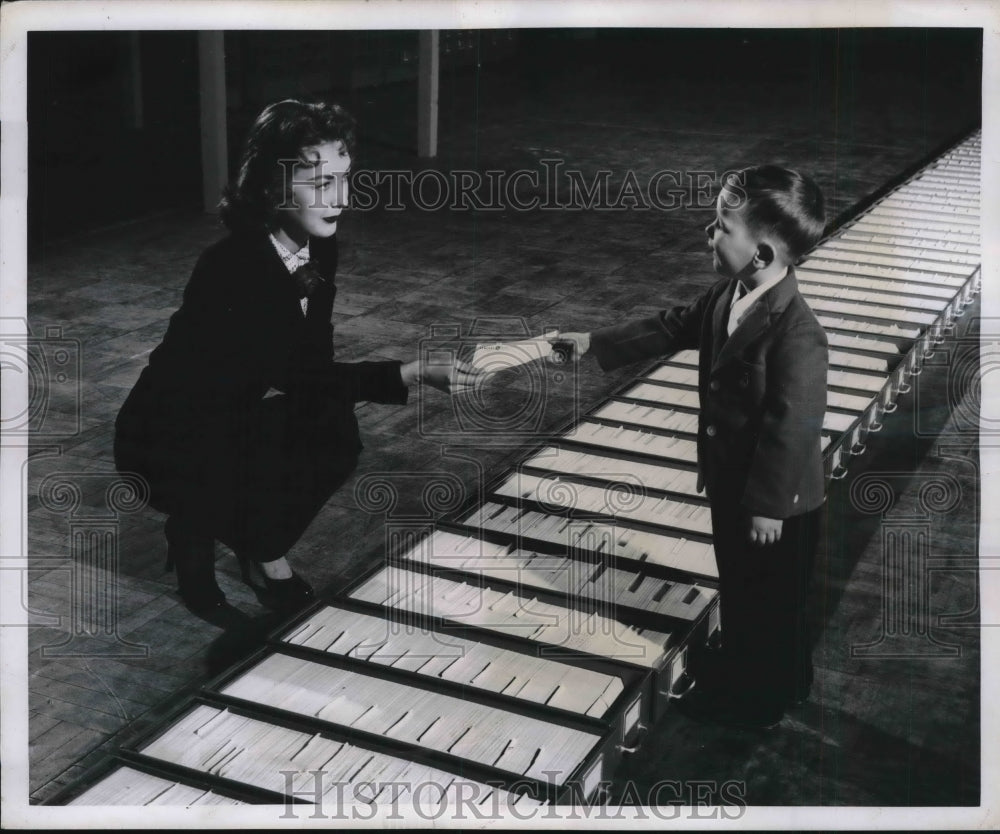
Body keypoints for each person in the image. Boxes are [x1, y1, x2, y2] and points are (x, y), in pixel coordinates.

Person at [114, 99, 476, 617]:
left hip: (225, 417)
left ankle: (243, 537)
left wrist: (396, 375)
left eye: (345, 179)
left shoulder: (318, 246)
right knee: (314, 421)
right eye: (321, 183)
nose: (340, 198)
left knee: (332, 429)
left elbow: (314, 360)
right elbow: (299, 376)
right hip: (167, 439)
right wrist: (412, 372)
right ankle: (217, 535)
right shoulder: (233, 265)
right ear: (270, 189)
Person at [553, 165, 828, 729]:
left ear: (761, 255)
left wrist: (769, 506)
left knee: (770, 601)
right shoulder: (729, 295)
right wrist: (593, 343)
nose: (708, 232)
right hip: (733, 483)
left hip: (778, 504)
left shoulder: (798, 332)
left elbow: (793, 425)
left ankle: (758, 702)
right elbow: (669, 327)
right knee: (744, 586)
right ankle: (784, 677)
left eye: (722, 226)